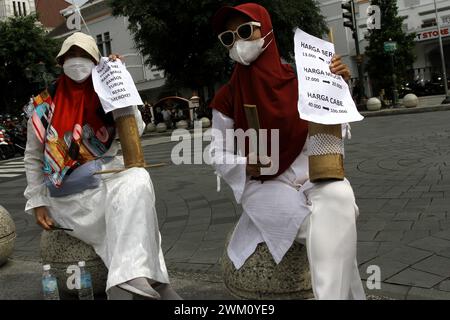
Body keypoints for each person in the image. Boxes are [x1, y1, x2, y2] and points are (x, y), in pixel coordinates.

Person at [209, 3, 366, 300]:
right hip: (264, 184)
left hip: (314, 173)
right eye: (228, 38)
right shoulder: (227, 97)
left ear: (265, 29)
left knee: (340, 197)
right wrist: (245, 164)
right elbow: (217, 153)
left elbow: (337, 129)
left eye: (244, 31)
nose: (238, 43)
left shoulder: (303, 80)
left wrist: (338, 89)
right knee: (329, 225)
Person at [24, 32, 180, 300]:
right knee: (135, 210)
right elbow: (32, 157)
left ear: (96, 61)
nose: (77, 61)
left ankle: (130, 281)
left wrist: (120, 84)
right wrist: (37, 202)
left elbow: (137, 130)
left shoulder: (105, 94)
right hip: (67, 196)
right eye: (70, 56)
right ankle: (153, 282)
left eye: (84, 55)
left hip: (107, 181)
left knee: (139, 180)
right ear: (61, 62)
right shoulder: (43, 106)